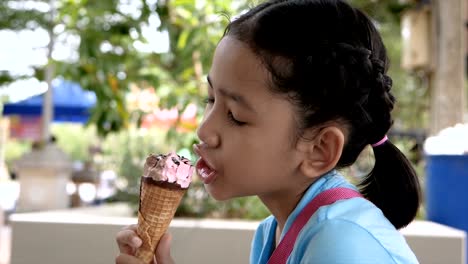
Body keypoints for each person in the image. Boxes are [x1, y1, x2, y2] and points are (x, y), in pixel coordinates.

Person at [115, 0, 421, 263]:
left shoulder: (340, 241)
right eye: (210, 99)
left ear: (319, 149)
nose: (204, 130)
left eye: (235, 116)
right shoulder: (272, 233)